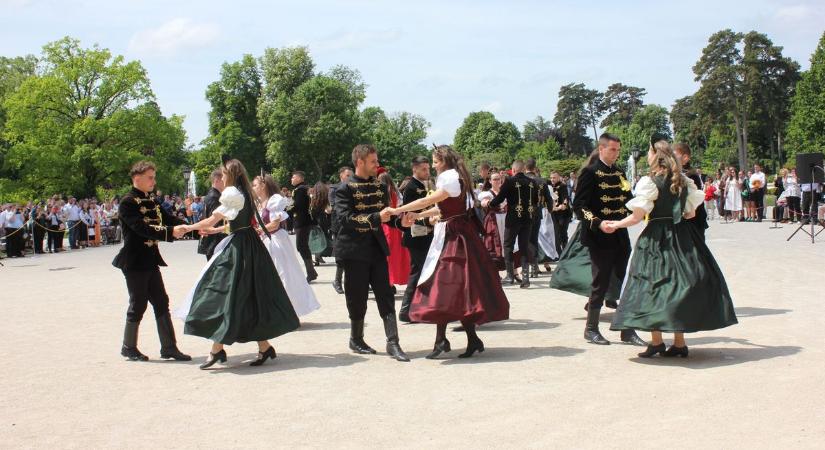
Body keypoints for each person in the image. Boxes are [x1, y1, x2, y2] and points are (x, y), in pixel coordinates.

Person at [607, 140, 737, 357]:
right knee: (677, 285)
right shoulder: (683, 181)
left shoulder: (650, 182)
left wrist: (616, 224)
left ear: (655, 157)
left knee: (652, 286)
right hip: (682, 237)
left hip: (656, 239)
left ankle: (657, 341)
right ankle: (679, 343)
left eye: (649, 153)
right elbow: (691, 214)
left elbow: (637, 217)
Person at [175, 158, 300, 369]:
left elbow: (213, 220)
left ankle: (218, 350)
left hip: (240, 249)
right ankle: (262, 347)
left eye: (224, 174)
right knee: (246, 297)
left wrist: (187, 228)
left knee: (226, 295)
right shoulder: (244, 194)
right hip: (248, 246)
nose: (221, 177)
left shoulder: (233, 193)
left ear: (230, 174)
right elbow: (235, 225)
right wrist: (213, 230)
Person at [389, 145, 510, 359]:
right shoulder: (457, 176)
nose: (433, 166)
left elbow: (431, 200)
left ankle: (444, 340)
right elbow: (442, 207)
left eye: (435, 162)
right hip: (456, 233)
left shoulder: (449, 177)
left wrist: (399, 210)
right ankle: (466, 339)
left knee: (444, 285)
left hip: (455, 237)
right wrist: (416, 216)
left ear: (443, 161)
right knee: (456, 288)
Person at [333, 144, 410, 362]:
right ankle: (356, 339)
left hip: (376, 248)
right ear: (360, 162)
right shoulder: (343, 188)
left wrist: (401, 221)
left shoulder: (378, 186)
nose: (377, 165)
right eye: (373, 161)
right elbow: (345, 220)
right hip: (353, 250)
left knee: (385, 293)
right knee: (356, 298)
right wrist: (377, 218)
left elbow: (388, 217)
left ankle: (393, 342)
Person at [112, 161, 191, 362]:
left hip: (150, 259)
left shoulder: (153, 201)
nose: (153, 181)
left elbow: (168, 219)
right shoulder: (127, 202)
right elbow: (141, 228)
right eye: (150, 177)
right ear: (136, 178)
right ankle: (128, 347)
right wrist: (170, 232)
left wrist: (193, 227)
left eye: (153, 177)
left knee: (161, 301)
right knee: (138, 303)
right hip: (134, 260)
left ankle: (169, 348)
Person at [572, 133, 646, 346]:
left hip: (620, 233)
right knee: (600, 281)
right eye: (613, 149)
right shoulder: (589, 172)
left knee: (625, 282)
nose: (616, 153)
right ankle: (591, 329)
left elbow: (628, 201)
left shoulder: (620, 172)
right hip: (599, 235)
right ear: (602, 148)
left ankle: (627, 329)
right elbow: (579, 206)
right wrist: (597, 222)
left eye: (618, 150)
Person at [252, 174, 321, 317]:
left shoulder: (274, 201)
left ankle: (289, 312)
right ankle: (275, 312)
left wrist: (258, 230)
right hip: (266, 241)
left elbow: (275, 223)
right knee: (268, 277)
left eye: (255, 185)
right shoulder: (259, 203)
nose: (253, 188)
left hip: (276, 241)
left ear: (263, 186)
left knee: (284, 276)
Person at [489, 160, 540, 288]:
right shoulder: (532, 183)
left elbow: (500, 198)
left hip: (513, 219)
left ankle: (510, 276)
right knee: (523, 247)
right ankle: (526, 279)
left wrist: (490, 204)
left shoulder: (510, 182)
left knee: (508, 246)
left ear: (514, 170)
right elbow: (536, 201)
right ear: (523, 169)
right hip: (527, 219)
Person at [398, 156, 435, 323]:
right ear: (415, 169)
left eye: (428, 169)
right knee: (427, 272)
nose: (427, 172)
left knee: (417, 273)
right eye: (424, 169)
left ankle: (407, 310)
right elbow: (409, 215)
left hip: (426, 235)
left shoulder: (425, 185)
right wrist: (428, 220)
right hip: (417, 236)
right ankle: (427, 308)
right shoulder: (411, 187)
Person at [378, 170, 410, 290]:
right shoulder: (396, 193)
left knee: (385, 255)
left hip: (384, 226)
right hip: (395, 227)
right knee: (395, 255)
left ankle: (388, 282)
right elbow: (401, 208)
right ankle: (392, 281)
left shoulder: (380, 193)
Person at [674, 143, 708, 239]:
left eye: (675, 155)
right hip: (688, 220)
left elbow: (693, 202)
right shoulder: (678, 173)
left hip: (694, 221)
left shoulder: (690, 175)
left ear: (685, 157)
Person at [524, 159, 551, 277]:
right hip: (537, 213)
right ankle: (534, 267)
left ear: (525, 168)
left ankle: (530, 266)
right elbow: (548, 198)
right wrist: (549, 210)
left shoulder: (521, 180)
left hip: (523, 214)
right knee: (534, 239)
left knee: (526, 240)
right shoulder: (542, 181)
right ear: (535, 168)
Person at [289, 170, 318, 282]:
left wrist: (285, 210)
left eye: (293, 177)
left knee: (301, 246)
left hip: (302, 222)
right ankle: (311, 272)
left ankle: (311, 273)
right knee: (302, 246)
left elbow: (297, 205)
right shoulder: (303, 189)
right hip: (302, 221)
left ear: (300, 178)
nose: (291, 179)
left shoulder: (300, 190)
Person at [330, 166, 353, 294]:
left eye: (351, 175)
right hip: (339, 226)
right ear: (341, 176)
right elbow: (335, 207)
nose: (350, 178)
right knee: (341, 255)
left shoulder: (355, 188)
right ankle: (337, 281)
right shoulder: (334, 189)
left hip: (353, 225)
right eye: (348, 175)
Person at [197, 169, 227, 260]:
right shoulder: (215, 197)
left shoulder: (211, 195)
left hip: (212, 240)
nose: (226, 182)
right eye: (224, 180)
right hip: (215, 241)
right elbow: (215, 220)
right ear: (217, 181)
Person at [310, 181, 332, 266]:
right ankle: (318, 257)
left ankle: (317, 258)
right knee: (322, 238)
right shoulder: (325, 198)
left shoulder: (312, 198)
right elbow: (328, 210)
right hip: (323, 220)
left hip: (314, 220)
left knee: (315, 239)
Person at [549, 171, 572, 256]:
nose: (552, 179)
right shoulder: (549, 187)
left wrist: (564, 205)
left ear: (558, 177)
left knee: (563, 232)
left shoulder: (563, 186)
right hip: (554, 214)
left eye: (554, 178)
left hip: (563, 214)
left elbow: (565, 198)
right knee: (556, 233)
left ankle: (566, 251)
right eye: (551, 178)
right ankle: (559, 253)